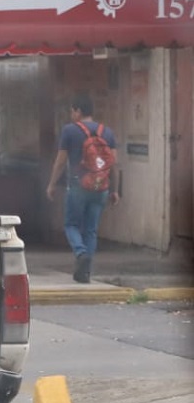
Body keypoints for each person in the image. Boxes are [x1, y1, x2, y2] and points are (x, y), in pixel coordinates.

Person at [46, 96, 120, 283]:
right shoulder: (107, 132)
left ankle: (80, 253)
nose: (72, 115)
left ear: (78, 110)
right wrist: (115, 190)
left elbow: (61, 161)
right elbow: (114, 165)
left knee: (71, 225)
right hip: (101, 187)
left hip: (78, 185)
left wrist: (52, 184)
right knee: (91, 230)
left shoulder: (70, 131)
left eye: (72, 111)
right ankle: (85, 272)